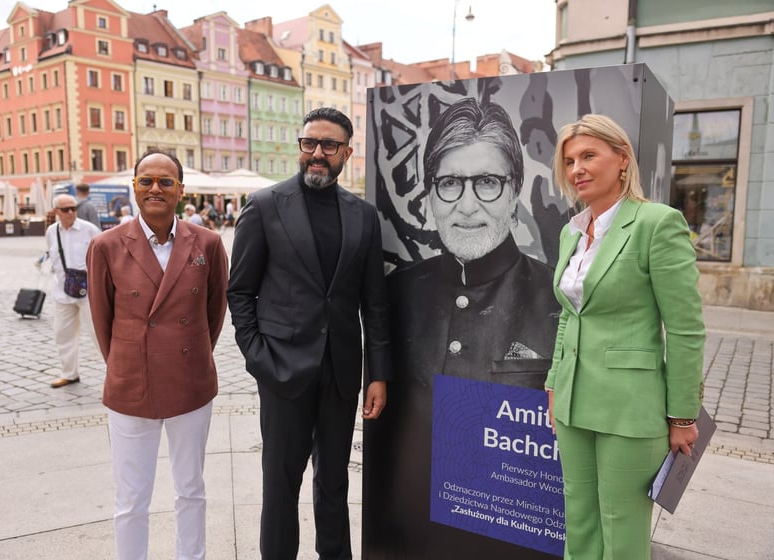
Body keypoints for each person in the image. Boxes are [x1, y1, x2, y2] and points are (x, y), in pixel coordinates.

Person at [365, 97, 562, 556]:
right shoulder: (398, 292)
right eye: (450, 183)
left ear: (514, 192)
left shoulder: (558, 300)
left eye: (488, 183)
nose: (467, 205)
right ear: (430, 196)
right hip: (410, 529)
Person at [227, 107, 392, 560]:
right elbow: (239, 292)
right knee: (280, 485)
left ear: (347, 153)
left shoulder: (363, 216)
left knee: (334, 481)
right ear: (300, 147)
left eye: (328, 146)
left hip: (340, 372)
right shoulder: (263, 206)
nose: (317, 153)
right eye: (309, 144)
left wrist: (376, 373)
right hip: (282, 369)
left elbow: (374, 304)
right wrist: (259, 357)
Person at [544, 114, 705, 560]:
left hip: (631, 407)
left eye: (589, 155)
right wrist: (555, 383)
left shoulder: (657, 223)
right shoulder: (571, 233)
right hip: (574, 403)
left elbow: (686, 327)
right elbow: (567, 316)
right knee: (578, 520)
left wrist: (682, 415)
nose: (577, 168)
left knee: (622, 533)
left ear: (622, 159)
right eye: (570, 159)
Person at [86, 150, 229, 560]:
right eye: (146, 181)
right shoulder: (106, 245)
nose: (156, 189)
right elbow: (102, 320)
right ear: (134, 187)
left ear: (181, 190)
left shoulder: (208, 243)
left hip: (191, 383)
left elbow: (215, 311)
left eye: (166, 182)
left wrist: (190, 356)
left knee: (191, 489)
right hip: (131, 386)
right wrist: (129, 362)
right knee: (131, 499)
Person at [46, 194, 101, 388]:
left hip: (89, 291)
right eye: (66, 209)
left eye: (73, 208)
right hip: (62, 290)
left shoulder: (89, 229)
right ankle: (69, 374)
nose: (71, 212)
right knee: (62, 334)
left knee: (99, 333)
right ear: (56, 212)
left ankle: (115, 374)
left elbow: (103, 257)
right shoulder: (51, 231)